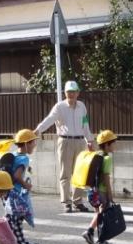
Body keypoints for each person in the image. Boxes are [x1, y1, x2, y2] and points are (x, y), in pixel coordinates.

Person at [34, 80, 94, 213]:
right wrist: (38, 130)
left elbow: (85, 124)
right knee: (65, 173)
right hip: (65, 141)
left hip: (80, 141)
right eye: (68, 92)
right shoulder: (59, 107)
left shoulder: (82, 106)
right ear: (65, 93)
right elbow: (49, 119)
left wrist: (89, 140)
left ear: (78, 93)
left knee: (79, 173)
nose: (71, 94)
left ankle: (78, 201)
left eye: (73, 92)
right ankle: (66, 201)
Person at [3, 129, 40, 244]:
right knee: (12, 222)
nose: (34, 145)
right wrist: (26, 185)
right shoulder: (23, 158)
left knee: (14, 220)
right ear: (26, 144)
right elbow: (17, 176)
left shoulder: (14, 155)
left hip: (7, 193)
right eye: (33, 143)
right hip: (15, 195)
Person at [83, 129, 118, 244]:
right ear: (107, 145)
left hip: (93, 190)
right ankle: (91, 233)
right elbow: (106, 178)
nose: (115, 145)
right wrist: (110, 194)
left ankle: (97, 237)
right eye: (113, 143)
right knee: (102, 215)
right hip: (102, 191)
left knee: (99, 214)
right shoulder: (107, 158)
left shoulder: (97, 155)